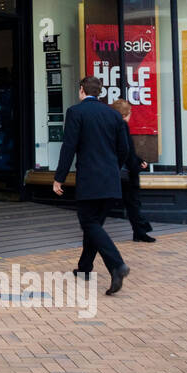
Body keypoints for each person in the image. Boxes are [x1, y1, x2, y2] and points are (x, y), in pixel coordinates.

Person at [53, 76, 132, 295]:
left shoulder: (76, 112)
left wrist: (59, 177)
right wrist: (112, 169)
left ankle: (117, 265)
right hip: (110, 180)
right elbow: (124, 149)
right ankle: (85, 267)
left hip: (89, 179)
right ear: (100, 93)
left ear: (81, 90)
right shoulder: (113, 115)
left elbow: (69, 146)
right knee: (95, 225)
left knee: (89, 223)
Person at [110, 98, 155, 242]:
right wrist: (136, 166)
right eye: (129, 113)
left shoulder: (111, 127)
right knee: (133, 204)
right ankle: (141, 230)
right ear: (124, 115)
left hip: (118, 172)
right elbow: (126, 151)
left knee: (129, 204)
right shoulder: (122, 126)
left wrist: (139, 160)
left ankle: (139, 231)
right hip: (128, 174)